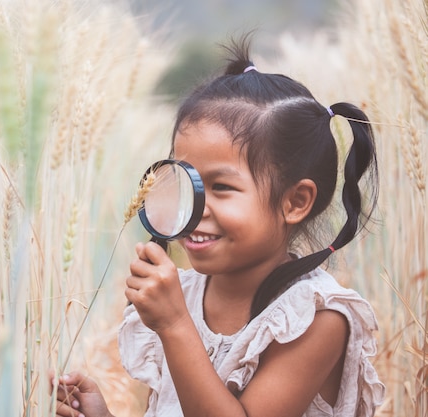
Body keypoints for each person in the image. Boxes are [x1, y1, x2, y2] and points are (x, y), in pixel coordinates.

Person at [53, 35, 385, 417]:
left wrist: (176, 324)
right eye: (186, 181)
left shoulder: (315, 319)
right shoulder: (185, 295)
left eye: (221, 187)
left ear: (294, 202)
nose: (195, 208)